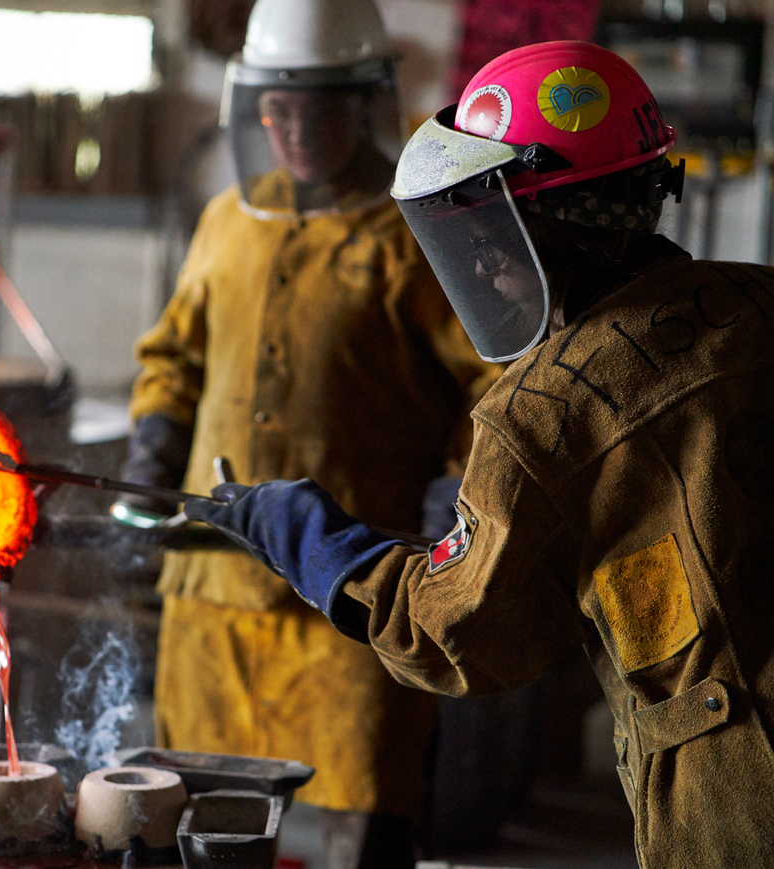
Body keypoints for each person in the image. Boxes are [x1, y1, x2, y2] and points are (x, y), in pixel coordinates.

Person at [185, 39, 774, 868]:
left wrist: (316, 541)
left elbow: (456, 634)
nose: (485, 263)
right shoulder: (761, 297)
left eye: (490, 229)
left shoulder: (541, 411)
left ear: (543, 224)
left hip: (741, 797)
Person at [114, 0, 498, 865]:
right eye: (275, 108)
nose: (292, 128)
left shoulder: (412, 234)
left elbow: (492, 385)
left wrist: (453, 490)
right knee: (200, 811)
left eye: (315, 107)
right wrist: (155, 440)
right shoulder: (226, 222)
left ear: (363, 102)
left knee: (362, 806)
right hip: (212, 593)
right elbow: (172, 354)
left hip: (356, 591)